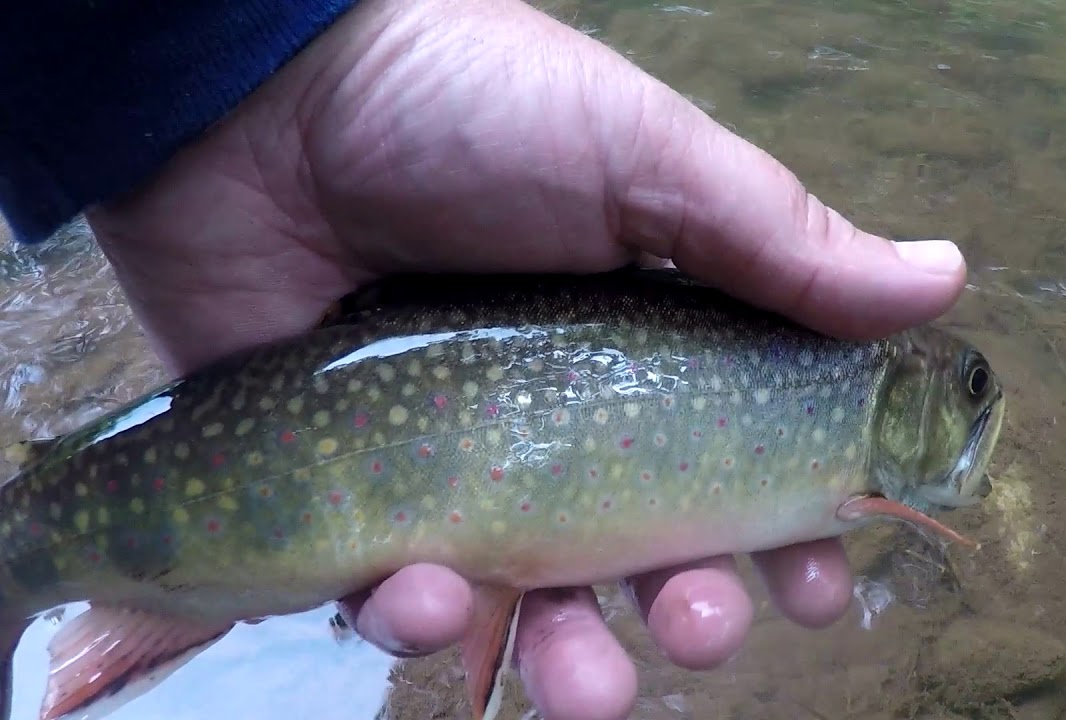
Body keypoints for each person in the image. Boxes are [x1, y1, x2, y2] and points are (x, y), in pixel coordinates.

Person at [0, 1, 967, 718]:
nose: (978, 410)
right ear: (911, 392)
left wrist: (241, 70)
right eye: (968, 391)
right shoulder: (864, 430)